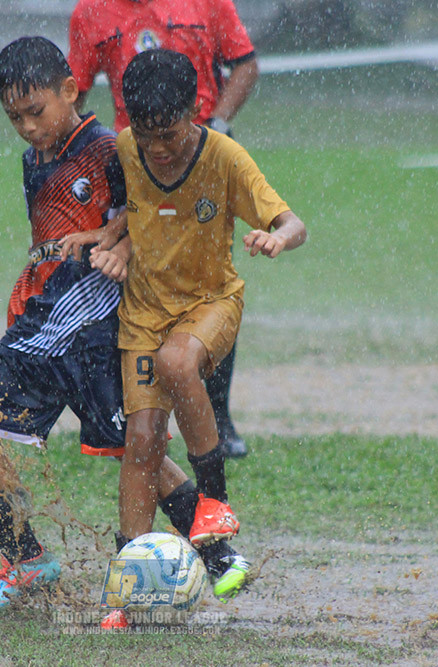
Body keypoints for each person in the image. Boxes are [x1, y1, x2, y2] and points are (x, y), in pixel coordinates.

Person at [0, 36, 249, 614]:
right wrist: (29, 283)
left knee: (134, 452)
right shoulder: (32, 159)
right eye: (14, 117)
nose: (27, 127)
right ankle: (27, 558)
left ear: (70, 91)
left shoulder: (111, 151)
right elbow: (50, 237)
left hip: (95, 336)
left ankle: (217, 555)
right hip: (42, 326)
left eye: (35, 111)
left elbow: (152, 222)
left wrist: (123, 249)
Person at [91, 49, 306, 628]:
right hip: (142, 313)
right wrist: (109, 245)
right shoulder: (125, 149)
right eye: (147, 134)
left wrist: (278, 239)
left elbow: (293, 222)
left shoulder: (225, 157)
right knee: (140, 443)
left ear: (197, 109)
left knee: (179, 361)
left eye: (171, 132)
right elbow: (128, 216)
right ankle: (125, 588)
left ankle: (215, 502)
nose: (159, 148)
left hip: (212, 302)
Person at [67, 0, 260, 458]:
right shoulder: (90, 12)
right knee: (121, 284)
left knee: (209, 284)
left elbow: (245, 66)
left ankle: (218, 416)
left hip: (195, 159)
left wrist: (217, 124)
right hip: (130, 162)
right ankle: (131, 416)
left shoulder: (209, 3)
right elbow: (73, 91)